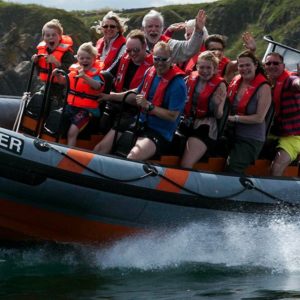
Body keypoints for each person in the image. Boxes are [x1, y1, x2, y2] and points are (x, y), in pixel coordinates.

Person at [95, 41, 187, 161]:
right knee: (100, 149)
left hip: (159, 131)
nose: (159, 63)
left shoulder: (178, 84)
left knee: (132, 157)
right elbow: (136, 96)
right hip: (140, 121)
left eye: (164, 59)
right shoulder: (150, 72)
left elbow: (173, 116)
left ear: (171, 59)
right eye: (156, 58)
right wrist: (110, 96)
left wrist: (149, 106)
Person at [94, 29, 154, 153]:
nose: (132, 54)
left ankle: (102, 152)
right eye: (128, 50)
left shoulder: (152, 68)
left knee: (102, 146)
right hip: (115, 104)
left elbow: (134, 97)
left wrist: (109, 96)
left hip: (133, 111)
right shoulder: (124, 59)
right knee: (97, 118)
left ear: (144, 46)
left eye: (136, 50)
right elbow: (107, 75)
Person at [225, 50, 272, 174]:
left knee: (233, 166)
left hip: (250, 138)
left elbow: (259, 118)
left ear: (255, 65)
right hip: (231, 132)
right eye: (241, 65)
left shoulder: (264, 87)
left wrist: (234, 118)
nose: (244, 68)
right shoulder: (236, 80)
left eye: (248, 65)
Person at [180, 51, 227, 168]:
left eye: (208, 68)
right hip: (187, 120)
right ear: (197, 67)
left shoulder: (220, 85)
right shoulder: (190, 78)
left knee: (186, 164)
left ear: (215, 69)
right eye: (202, 67)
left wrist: (217, 104)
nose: (205, 71)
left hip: (206, 126)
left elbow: (219, 115)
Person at [54, 42, 106, 146]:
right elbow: (64, 81)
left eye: (88, 58)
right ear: (78, 58)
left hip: (86, 111)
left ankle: (69, 153)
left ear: (94, 58)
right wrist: (57, 75)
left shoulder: (95, 75)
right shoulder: (74, 71)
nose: (84, 60)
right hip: (71, 106)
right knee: (56, 120)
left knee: (72, 132)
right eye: (82, 58)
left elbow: (98, 86)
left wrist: (85, 77)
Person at [27, 19, 75, 117]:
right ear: (44, 37)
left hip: (62, 89)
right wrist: (36, 62)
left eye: (54, 35)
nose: (51, 37)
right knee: (37, 100)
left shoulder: (67, 53)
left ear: (60, 36)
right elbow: (40, 71)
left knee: (54, 109)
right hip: (47, 85)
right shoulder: (42, 50)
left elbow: (71, 72)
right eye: (47, 35)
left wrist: (56, 62)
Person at [263, 53, 300, 176]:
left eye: (276, 63)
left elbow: (297, 83)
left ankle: (271, 192)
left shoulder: (290, 80)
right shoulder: (265, 83)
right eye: (268, 63)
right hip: (273, 132)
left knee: (276, 167)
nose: (272, 66)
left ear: (283, 66)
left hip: (293, 135)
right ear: (264, 66)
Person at [142, 9, 207, 64]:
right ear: (143, 29)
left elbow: (188, 48)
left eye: (157, 26)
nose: (153, 29)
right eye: (150, 26)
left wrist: (197, 31)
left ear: (162, 28)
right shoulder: (137, 43)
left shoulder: (170, 45)